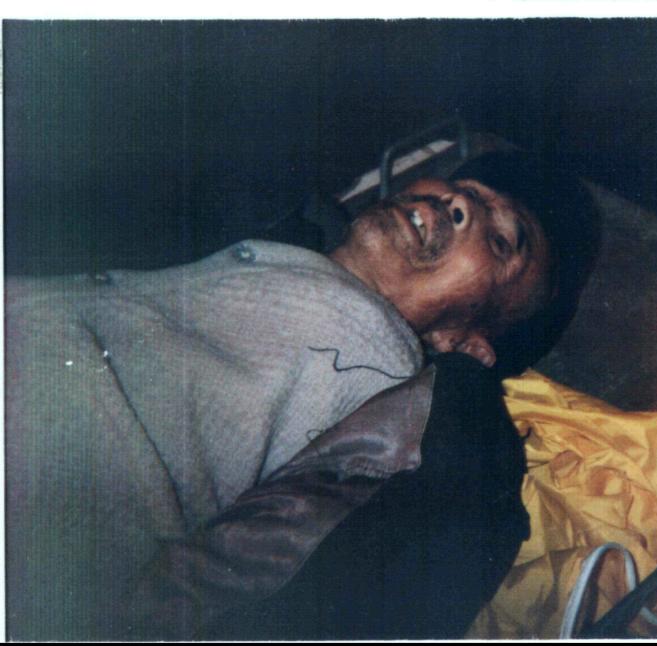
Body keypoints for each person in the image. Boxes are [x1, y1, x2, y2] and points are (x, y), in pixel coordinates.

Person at [3, 150, 601, 640]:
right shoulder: (251, 224)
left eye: (501, 241)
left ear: (465, 344)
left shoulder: (393, 398)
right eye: (461, 187)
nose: (458, 201)